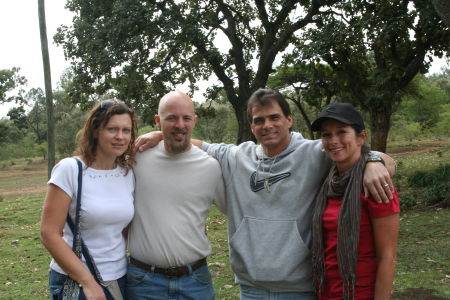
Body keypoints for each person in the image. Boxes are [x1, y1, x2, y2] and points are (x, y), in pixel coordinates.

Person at [135, 88, 395, 299]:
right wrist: (162, 134)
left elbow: (382, 159)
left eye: (274, 117)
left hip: (300, 289)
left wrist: (373, 162)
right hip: (251, 289)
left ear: (289, 120)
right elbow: (192, 142)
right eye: (259, 120)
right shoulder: (236, 157)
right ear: (251, 125)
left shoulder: (315, 153)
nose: (267, 125)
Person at [126, 91, 226, 300]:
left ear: (194, 121)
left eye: (186, 118)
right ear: (157, 120)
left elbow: (237, 210)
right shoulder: (136, 158)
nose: (180, 124)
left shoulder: (211, 167)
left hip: (195, 282)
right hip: (144, 283)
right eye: (171, 118)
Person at [40, 100, 136, 300]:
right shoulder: (70, 170)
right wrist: (88, 283)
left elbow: (122, 229)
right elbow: (49, 233)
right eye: (112, 129)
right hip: (78, 281)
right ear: (95, 131)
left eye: (126, 130)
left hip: (119, 278)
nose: (120, 136)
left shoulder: (128, 174)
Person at [310, 103, 400, 300]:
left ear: (361, 137)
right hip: (325, 291)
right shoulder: (328, 182)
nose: (333, 141)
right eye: (326, 135)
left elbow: (388, 258)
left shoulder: (376, 186)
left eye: (342, 132)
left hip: (360, 293)